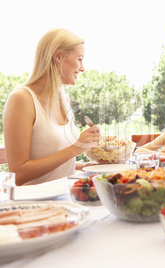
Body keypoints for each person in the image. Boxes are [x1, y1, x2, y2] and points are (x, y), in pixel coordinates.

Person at [3, 28, 100, 186]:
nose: (83, 68)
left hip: (64, 198)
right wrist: (76, 148)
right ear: (59, 57)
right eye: (80, 59)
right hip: (33, 205)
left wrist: (84, 167)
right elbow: (18, 174)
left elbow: (53, 165)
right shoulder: (21, 99)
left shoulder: (63, 100)